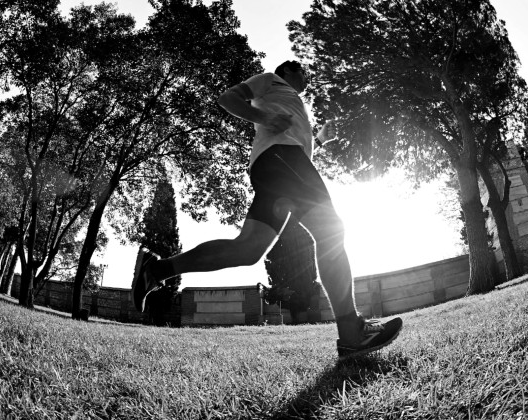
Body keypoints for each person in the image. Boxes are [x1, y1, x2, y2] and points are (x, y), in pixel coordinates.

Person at [131, 60, 402, 358]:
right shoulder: (270, 80)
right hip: (281, 159)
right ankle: (352, 333)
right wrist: (263, 117)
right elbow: (228, 98)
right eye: (304, 72)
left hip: (280, 165)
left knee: (247, 250)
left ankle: (157, 270)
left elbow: (296, 140)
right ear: (288, 70)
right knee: (331, 231)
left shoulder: (291, 99)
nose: (308, 77)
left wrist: (320, 140)